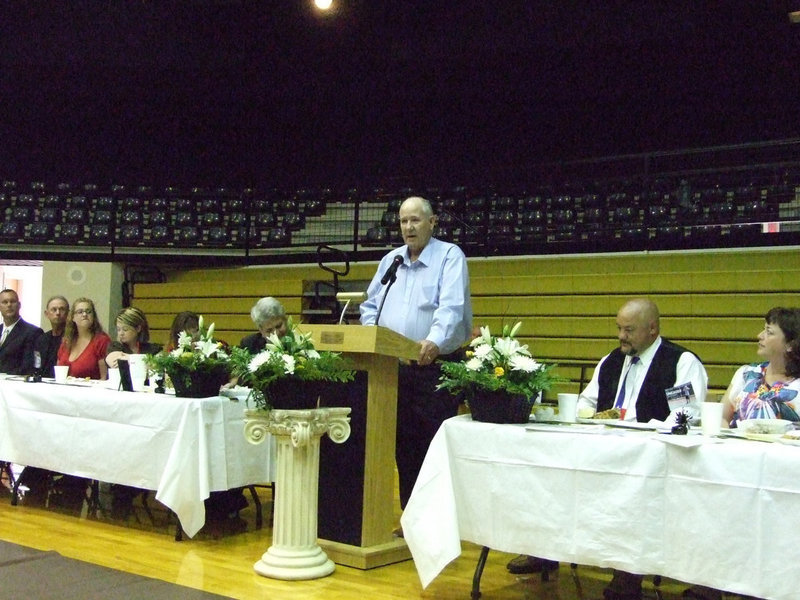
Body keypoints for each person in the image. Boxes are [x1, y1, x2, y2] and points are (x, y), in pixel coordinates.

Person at [508, 298, 708, 600]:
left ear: (652, 329)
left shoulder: (680, 362)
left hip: (649, 459)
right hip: (601, 451)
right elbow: (587, 404)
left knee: (632, 492)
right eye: (619, 328)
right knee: (550, 472)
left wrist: (645, 434)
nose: (621, 336)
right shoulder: (611, 361)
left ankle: (628, 573)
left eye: (629, 330)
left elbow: (686, 414)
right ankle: (546, 546)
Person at [360, 196, 472, 519]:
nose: (408, 227)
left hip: (434, 369)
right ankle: (413, 519)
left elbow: (451, 309)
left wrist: (434, 341)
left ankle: (437, 523)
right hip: (393, 370)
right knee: (404, 449)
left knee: (431, 450)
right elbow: (370, 307)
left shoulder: (450, 256)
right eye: (403, 221)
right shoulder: (390, 261)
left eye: (416, 220)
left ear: (432, 222)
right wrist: (373, 336)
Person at [721, 306, 800, 426]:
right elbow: (721, 418)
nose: (760, 336)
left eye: (769, 332)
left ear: (790, 344)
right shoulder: (747, 374)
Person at [57, 297, 111, 380]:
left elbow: (104, 378)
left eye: (88, 311)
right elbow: (59, 373)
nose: (85, 314)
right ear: (73, 317)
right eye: (80, 312)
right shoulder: (66, 342)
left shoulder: (101, 341)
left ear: (93, 316)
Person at [0, 288, 44, 375]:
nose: (9, 305)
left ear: (19, 305)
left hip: (15, 384)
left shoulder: (33, 332)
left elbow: (28, 367)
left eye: (12, 301)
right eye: (5, 302)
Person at [33, 295, 69, 378]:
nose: (58, 313)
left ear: (68, 313)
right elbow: (37, 365)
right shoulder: (41, 339)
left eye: (62, 309)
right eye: (54, 309)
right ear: (46, 314)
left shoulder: (74, 338)